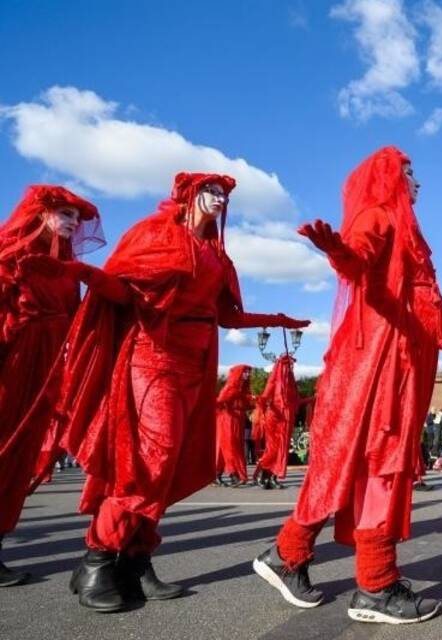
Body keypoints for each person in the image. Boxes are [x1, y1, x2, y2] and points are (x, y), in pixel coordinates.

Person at [37, 172, 307, 612]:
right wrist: (84, 271)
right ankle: (97, 558)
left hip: (194, 365)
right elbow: (122, 289)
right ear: (188, 194)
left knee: (170, 463)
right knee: (149, 460)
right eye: (211, 191)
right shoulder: (154, 234)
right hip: (152, 356)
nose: (220, 199)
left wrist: (277, 319)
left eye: (224, 194)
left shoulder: (216, 254)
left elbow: (226, 317)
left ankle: (136, 560)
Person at [253, 147, 442, 623]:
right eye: (408, 173)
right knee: (376, 464)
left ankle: (290, 553)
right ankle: (375, 585)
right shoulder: (380, 216)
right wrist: (338, 251)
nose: (416, 181)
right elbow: (359, 262)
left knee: (353, 467)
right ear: (388, 179)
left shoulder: (405, 225)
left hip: (395, 360)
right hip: (381, 363)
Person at [0, 185, 104, 587]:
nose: (73, 221)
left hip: (46, 369)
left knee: (19, 456)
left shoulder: (68, 269)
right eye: (64, 212)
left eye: (76, 217)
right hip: (13, 361)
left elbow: (79, 321)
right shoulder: (11, 256)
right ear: (40, 214)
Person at [252, 354, 301, 490]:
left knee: (282, 450)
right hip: (275, 419)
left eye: (291, 365)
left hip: (287, 420)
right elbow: (265, 397)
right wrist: (261, 401)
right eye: (287, 364)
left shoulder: (291, 383)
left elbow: (296, 401)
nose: (290, 367)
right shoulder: (274, 381)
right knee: (273, 450)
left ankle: (273, 477)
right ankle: (262, 473)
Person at [215, 364, 255, 487]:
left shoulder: (242, 389)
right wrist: (228, 408)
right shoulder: (230, 388)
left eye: (248, 372)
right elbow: (219, 402)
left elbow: (246, 405)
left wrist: (255, 401)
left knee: (229, 447)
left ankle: (216, 475)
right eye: (245, 372)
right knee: (231, 447)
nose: (248, 374)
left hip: (237, 419)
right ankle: (234, 475)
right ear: (239, 374)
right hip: (228, 419)